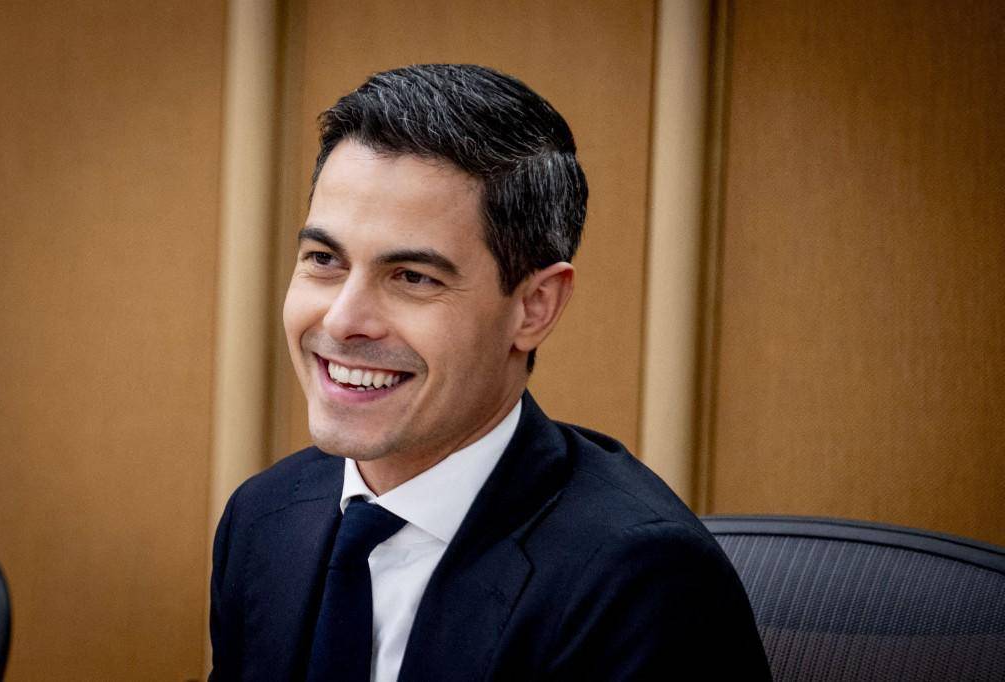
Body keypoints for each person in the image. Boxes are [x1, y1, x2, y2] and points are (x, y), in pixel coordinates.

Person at [209, 64, 770, 681]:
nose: (343, 322)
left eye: (413, 277)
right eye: (323, 260)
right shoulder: (263, 518)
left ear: (534, 307)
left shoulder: (642, 581)